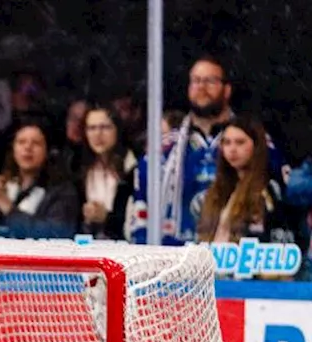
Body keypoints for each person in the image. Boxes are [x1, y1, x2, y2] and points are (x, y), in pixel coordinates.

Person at [129, 55, 285, 245]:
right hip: (176, 258)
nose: (201, 87)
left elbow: (279, 200)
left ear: (227, 90)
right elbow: (142, 206)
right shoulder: (163, 149)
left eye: (210, 81)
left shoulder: (256, 142)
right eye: (196, 81)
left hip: (236, 255)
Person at [196, 115, 298, 260]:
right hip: (213, 273)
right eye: (227, 143)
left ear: (256, 146)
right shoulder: (218, 190)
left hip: (247, 274)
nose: (232, 149)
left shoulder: (268, 189)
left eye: (240, 142)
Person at [0, 121, 79, 238]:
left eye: (36, 143)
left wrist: (10, 210)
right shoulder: (1, 184)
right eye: (21, 142)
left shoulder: (63, 190)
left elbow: (57, 233)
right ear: (13, 149)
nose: (28, 148)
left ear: (48, 151)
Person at [77, 105, 135, 240]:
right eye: (91, 128)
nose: (98, 134)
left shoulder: (132, 168)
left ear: (117, 130)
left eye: (105, 127)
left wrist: (107, 217)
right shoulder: (80, 169)